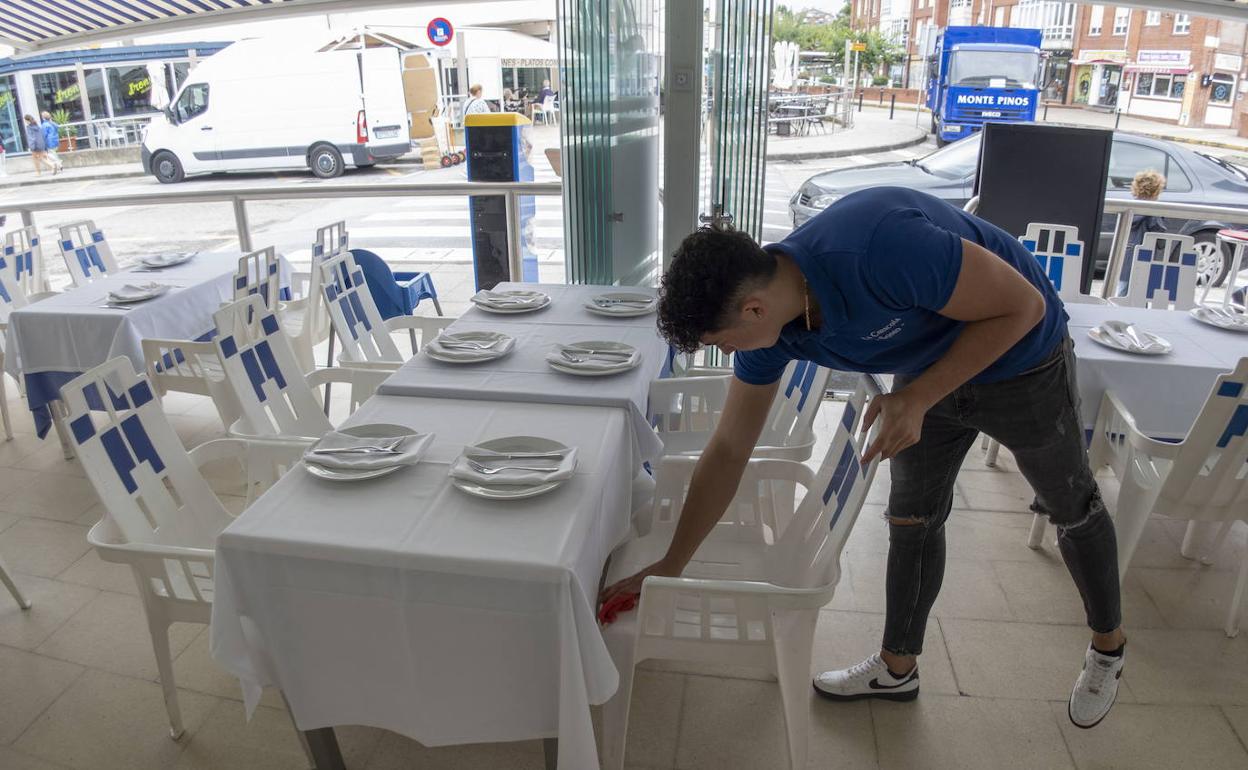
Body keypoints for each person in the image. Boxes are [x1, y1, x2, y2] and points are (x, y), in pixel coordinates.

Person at [600, 186, 1127, 730]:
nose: (729, 354)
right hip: (928, 370)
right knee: (912, 518)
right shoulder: (773, 333)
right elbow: (730, 448)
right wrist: (671, 566)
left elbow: (1024, 306)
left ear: (752, 308)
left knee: (1073, 508)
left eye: (725, 342)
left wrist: (917, 398)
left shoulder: (878, 247)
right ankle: (898, 669)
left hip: (1022, 358)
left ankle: (1108, 648)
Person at [1117, 169, 1167, 296]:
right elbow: (1160, 240)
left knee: (1122, 290)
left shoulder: (1129, 207)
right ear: (1157, 190)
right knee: (1139, 294)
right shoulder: (1153, 212)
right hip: (1144, 257)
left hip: (1125, 255)